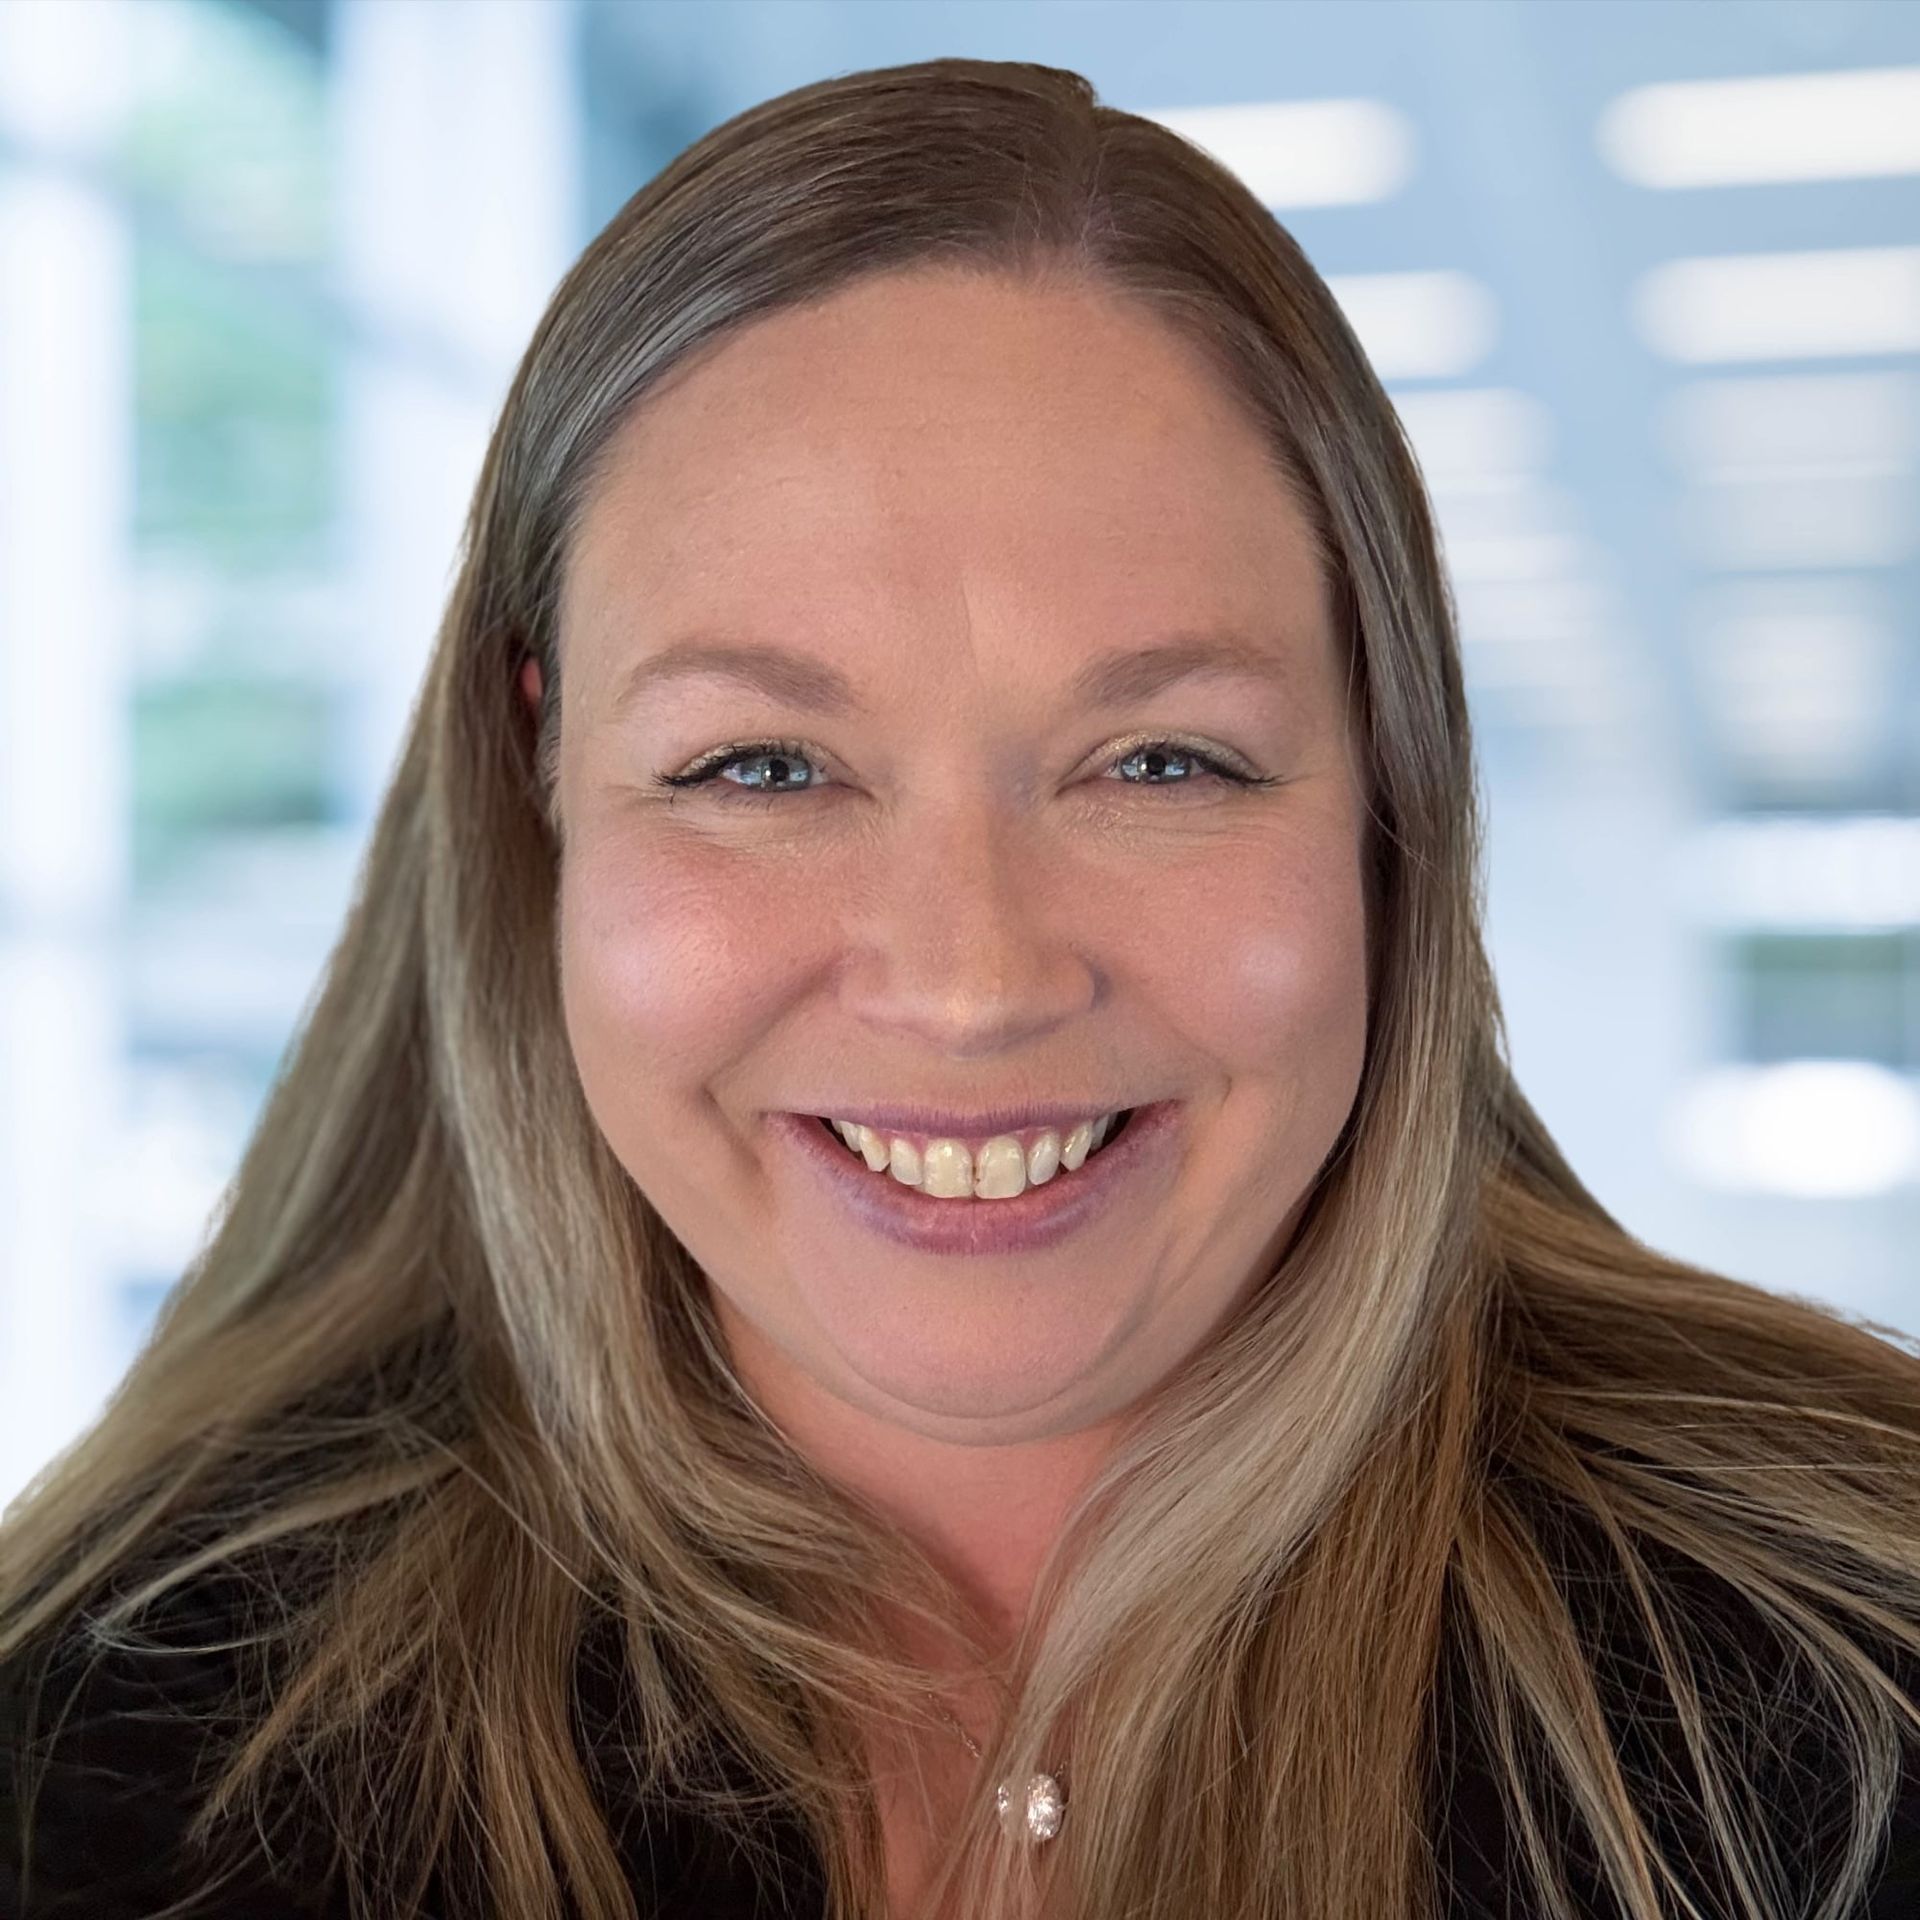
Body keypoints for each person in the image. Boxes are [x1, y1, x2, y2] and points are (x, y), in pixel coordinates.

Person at [5, 54, 1920, 1920]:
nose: (974, 978)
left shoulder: (1866, 1661)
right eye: (760, 767)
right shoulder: (90, 1746)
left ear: (1392, 799)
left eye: (1163, 761)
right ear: (539, 785)